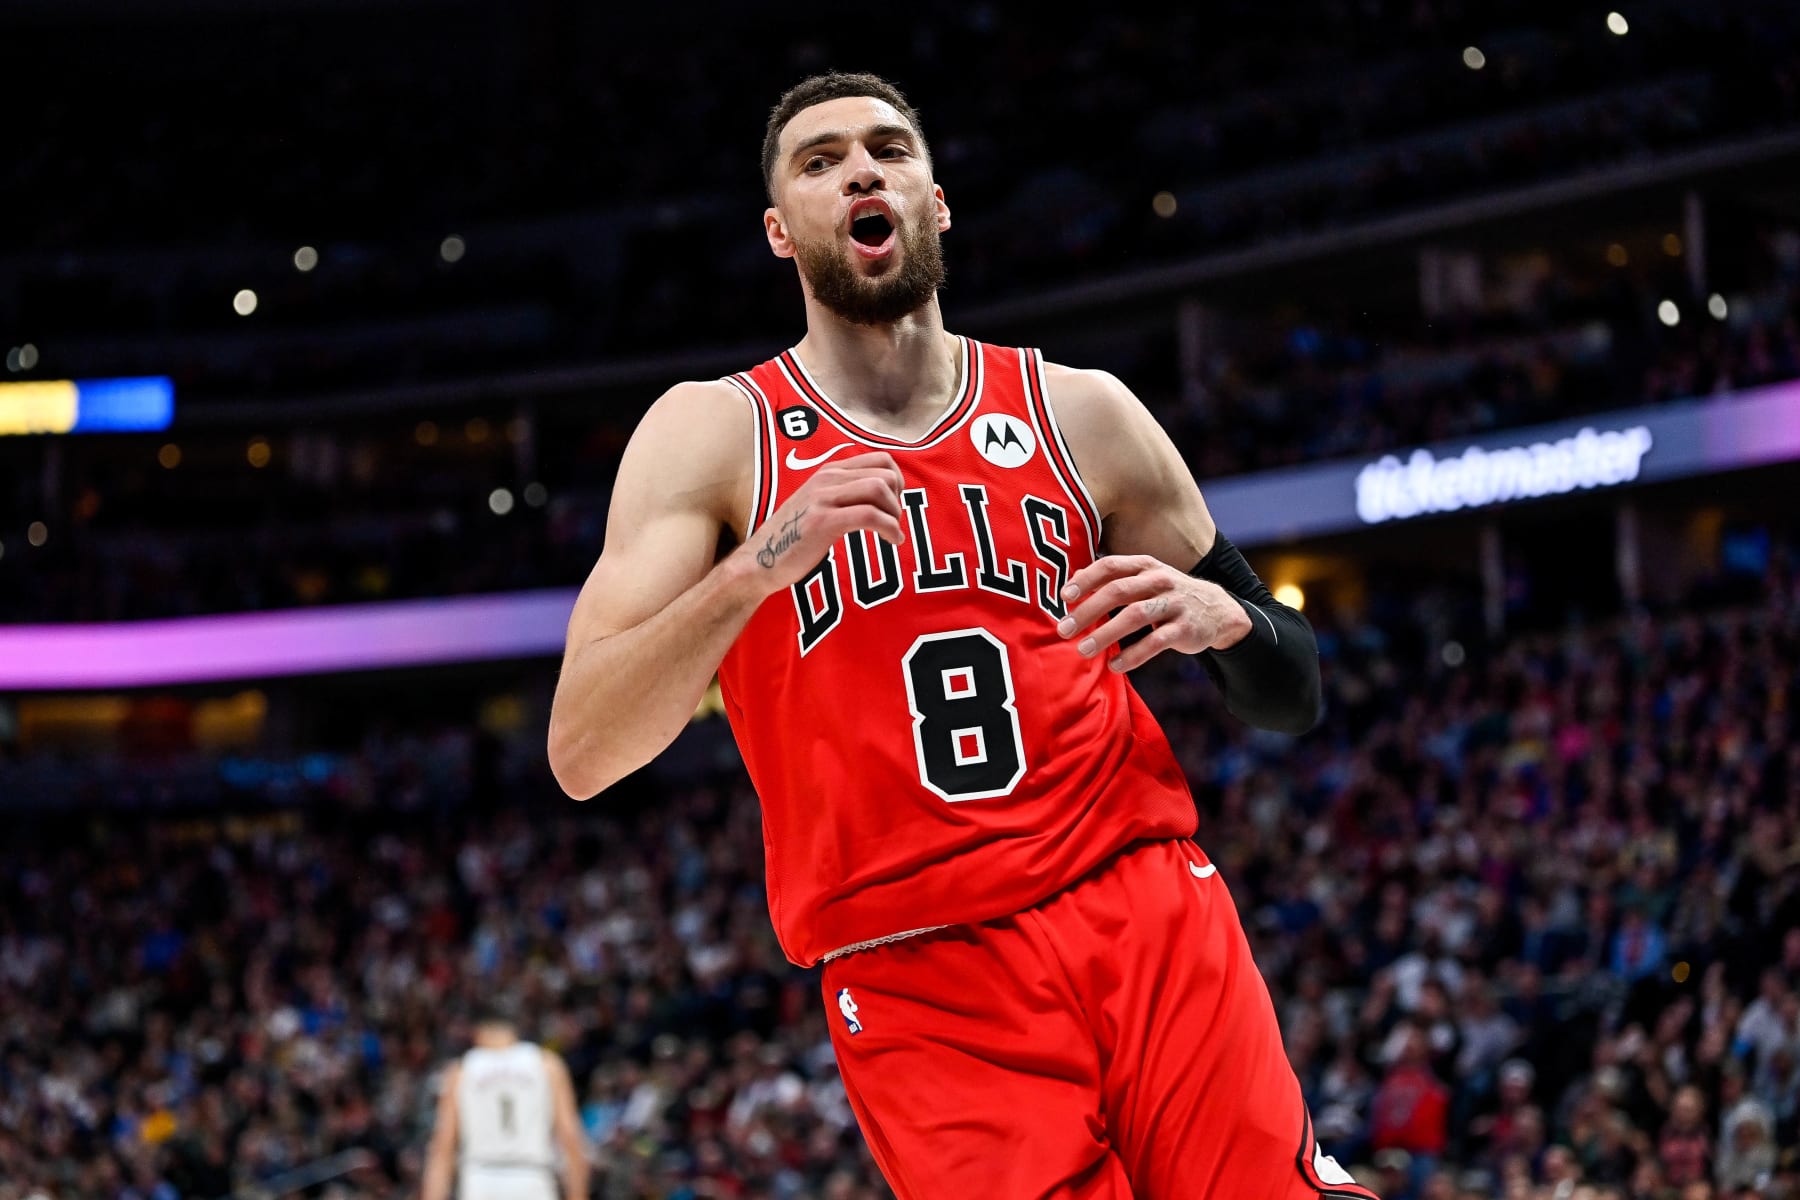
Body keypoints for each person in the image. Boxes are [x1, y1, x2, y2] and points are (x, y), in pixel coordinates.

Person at [549, 71, 1374, 1198]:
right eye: (820, 160)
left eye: (888, 149)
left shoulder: (1080, 410)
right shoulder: (715, 435)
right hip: (919, 963)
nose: (861, 171)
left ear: (937, 199)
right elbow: (584, 750)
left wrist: (1233, 621)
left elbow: (1294, 692)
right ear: (781, 232)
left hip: (1142, 899)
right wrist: (757, 566)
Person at [422, 1003, 588, 1200]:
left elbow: (443, 1147)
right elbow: (571, 1138)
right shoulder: (547, 1064)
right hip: (533, 1178)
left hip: (480, 1179)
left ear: (477, 1031)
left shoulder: (462, 1070)